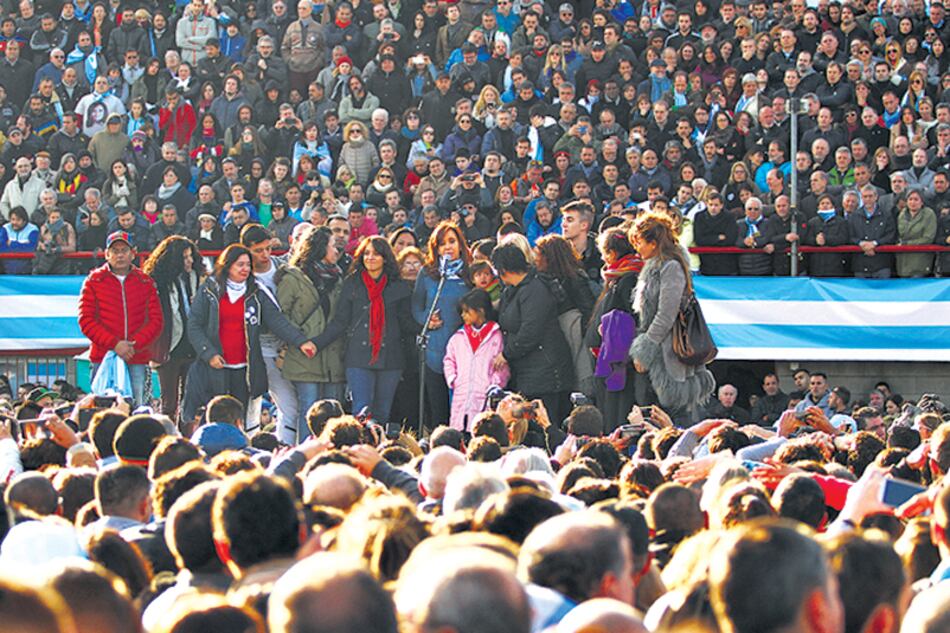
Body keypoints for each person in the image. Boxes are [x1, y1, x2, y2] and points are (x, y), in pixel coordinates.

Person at [182, 244, 317, 426]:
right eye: (240, 264)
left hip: (244, 367)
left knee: (240, 417)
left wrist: (301, 342)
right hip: (215, 365)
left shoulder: (257, 292)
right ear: (227, 265)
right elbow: (194, 325)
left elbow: (277, 321)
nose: (245, 269)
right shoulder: (209, 289)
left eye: (248, 265)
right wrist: (209, 353)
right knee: (213, 416)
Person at [312, 236, 418, 426]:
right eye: (366, 253)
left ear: (385, 257)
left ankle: (376, 452)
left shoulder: (399, 286)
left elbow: (406, 323)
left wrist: (428, 324)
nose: (370, 257)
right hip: (359, 356)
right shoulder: (352, 283)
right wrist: (316, 343)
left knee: (383, 412)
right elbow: (340, 321)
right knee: (361, 411)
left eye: (376, 254)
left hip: (391, 357)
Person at [629, 212, 715, 424]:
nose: (637, 248)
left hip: (670, 354)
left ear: (654, 242)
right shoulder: (656, 266)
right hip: (661, 351)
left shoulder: (671, 267)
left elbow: (666, 314)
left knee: (673, 419)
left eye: (639, 242)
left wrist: (645, 350)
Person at [276, 226, 347, 444]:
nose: (337, 250)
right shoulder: (293, 277)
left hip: (333, 357)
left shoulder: (338, 277)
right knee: (309, 410)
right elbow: (280, 316)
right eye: (333, 245)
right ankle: (305, 455)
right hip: (304, 355)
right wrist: (300, 339)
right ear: (320, 247)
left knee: (334, 414)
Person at [491, 241, 574, 425]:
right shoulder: (512, 290)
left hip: (546, 370)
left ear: (504, 269)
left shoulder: (535, 289)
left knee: (545, 423)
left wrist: (506, 354)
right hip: (526, 371)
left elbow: (531, 331)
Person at [412, 221, 472, 429]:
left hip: (465, 354)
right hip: (435, 351)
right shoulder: (427, 274)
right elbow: (416, 307)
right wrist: (426, 319)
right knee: (439, 411)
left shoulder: (471, 273)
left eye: (452, 242)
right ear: (435, 248)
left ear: (460, 244)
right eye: (442, 244)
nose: (447, 247)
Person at [142, 236, 203, 421]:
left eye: (191, 256)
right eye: (185, 257)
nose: (190, 261)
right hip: (170, 346)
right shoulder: (158, 283)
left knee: (191, 401)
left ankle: (188, 440)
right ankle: (168, 439)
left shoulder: (195, 278)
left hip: (192, 345)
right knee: (169, 403)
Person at [444, 288, 510, 433]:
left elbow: (502, 367)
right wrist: (453, 379)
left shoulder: (496, 336)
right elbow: (449, 360)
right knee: (459, 432)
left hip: (485, 394)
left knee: (482, 431)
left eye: (467, 312)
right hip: (462, 392)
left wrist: (494, 385)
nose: (463, 315)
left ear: (480, 311)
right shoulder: (458, 337)